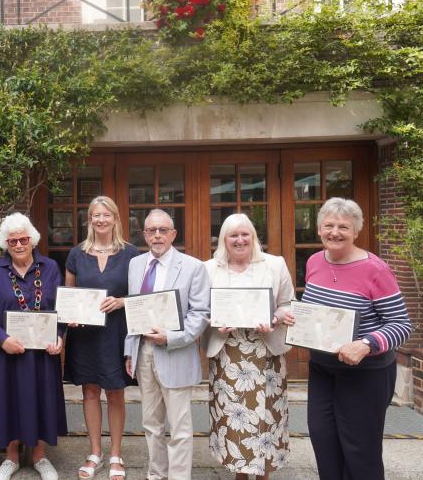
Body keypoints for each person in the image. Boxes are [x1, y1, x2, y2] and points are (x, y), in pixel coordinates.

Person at [300, 198, 411, 480]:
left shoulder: (376, 270)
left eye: (343, 227)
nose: (335, 232)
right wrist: (296, 317)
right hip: (323, 369)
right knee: (324, 441)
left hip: (365, 373)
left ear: (356, 231)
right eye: (329, 225)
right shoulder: (314, 261)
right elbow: (317, 310)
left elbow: (401, 325)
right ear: (319, 229)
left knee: (360, 452)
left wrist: (366, 344)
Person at [201, 213, 294, 479]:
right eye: (234, 235)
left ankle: (264, 473)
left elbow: (287, 303)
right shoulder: (209, 268)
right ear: (224, 239)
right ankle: (239, 473)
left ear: (253, 237)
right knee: (234, 418)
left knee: (267, 418)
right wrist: (214, 322)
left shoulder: (274, 264)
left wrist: (275, 319)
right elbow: (200, 310)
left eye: (245, 234)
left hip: (266, 352)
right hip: (227, 353)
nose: (240, 240)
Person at [0, 213, 67, 480]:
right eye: (12, 241)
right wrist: (2, 340)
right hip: (6, 353)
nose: (18, 245)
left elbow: (61, 309)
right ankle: (11, 457)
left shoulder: (50, 268)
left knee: (41, 399)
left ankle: (39, 456)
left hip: (42, 354)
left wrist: (59, 337)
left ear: (32, 240)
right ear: (5, 243)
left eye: (23, 239)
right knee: (8, 400)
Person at [124, 209, 210, 480]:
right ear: (145, 235)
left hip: (175, 352)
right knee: (151, 423)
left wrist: (171, 337)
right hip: (143, 352)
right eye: (152, 230)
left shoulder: (193, 267)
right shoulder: (135, 265)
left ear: (173, 234)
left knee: (180, 427)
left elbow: (200, 314)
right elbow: (133, 309)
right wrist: (129, 351)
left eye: (163, 230)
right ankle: (156, 474)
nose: (157, 235)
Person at [63, 196, 137, 480]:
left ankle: (116, 454)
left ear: (115, 219)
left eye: (107, 215)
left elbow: (142, 296)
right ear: (90, 219)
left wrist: (121, 302)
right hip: (86, 334)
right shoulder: (77, 254)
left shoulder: (131, 254)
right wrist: (70, 315)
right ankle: (95, 452)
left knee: (116, 391)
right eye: (96, 215)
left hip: (116, 332)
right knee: (90, 392)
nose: (101, 219)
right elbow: (69, 296)